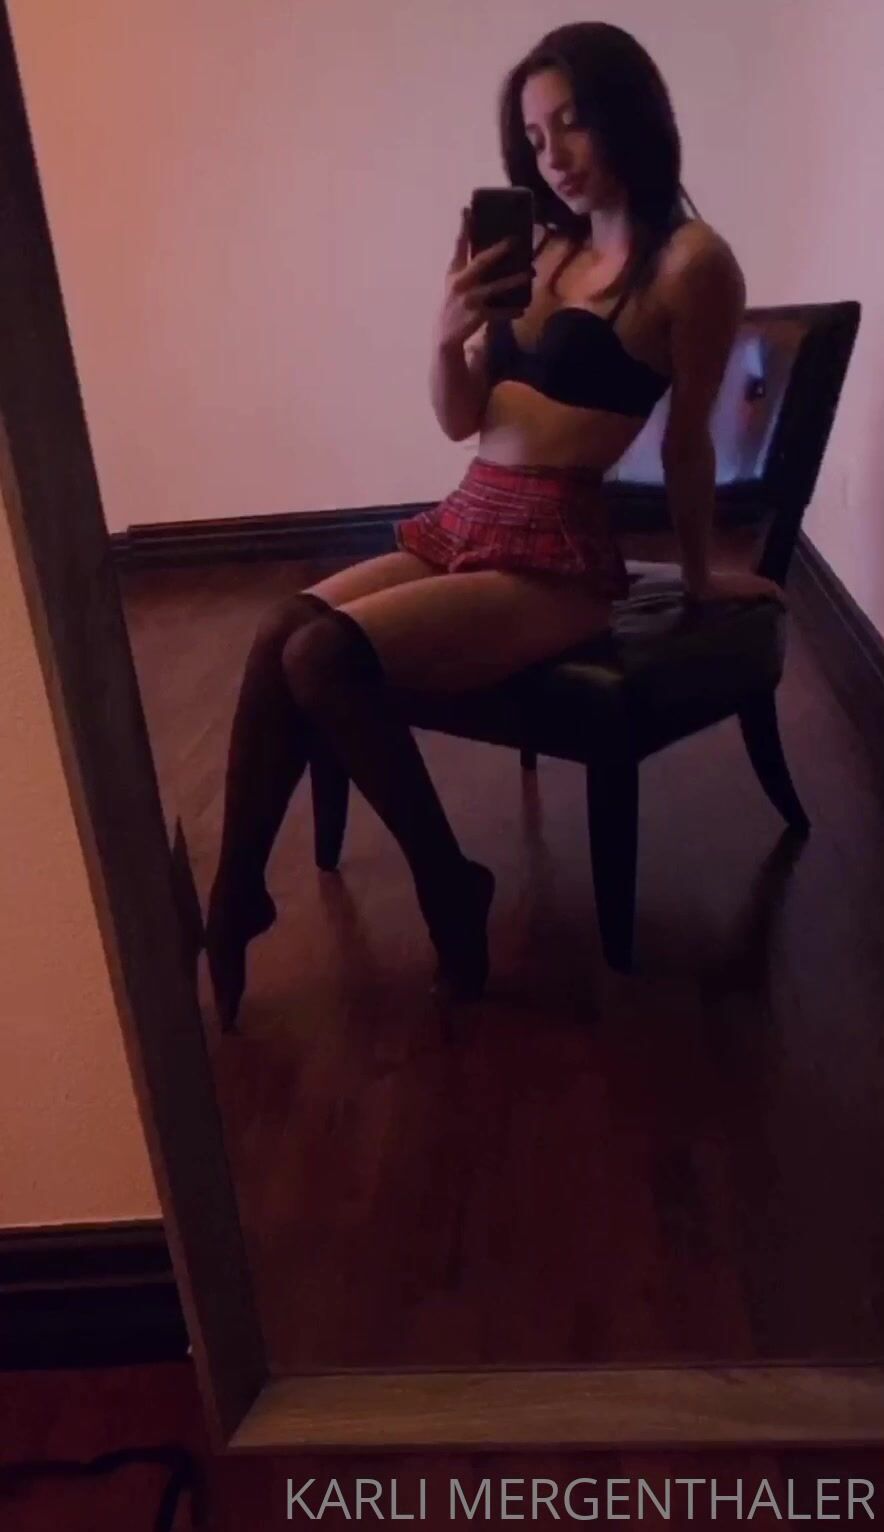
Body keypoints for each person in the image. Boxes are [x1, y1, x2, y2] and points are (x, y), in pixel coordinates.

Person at [205, 20, 784, 1030]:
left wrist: (698, 580)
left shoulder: (690, 263)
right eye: (533, 134)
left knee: (321, 657)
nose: (552, 155)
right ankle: (237, 893)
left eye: (573, 122)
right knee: (277, 629)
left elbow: (688, 441)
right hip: (468, 513)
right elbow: (460, 418)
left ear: (630, 114)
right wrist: (445, 334)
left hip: (556, 556)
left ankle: (447, 883)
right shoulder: (542, 248)